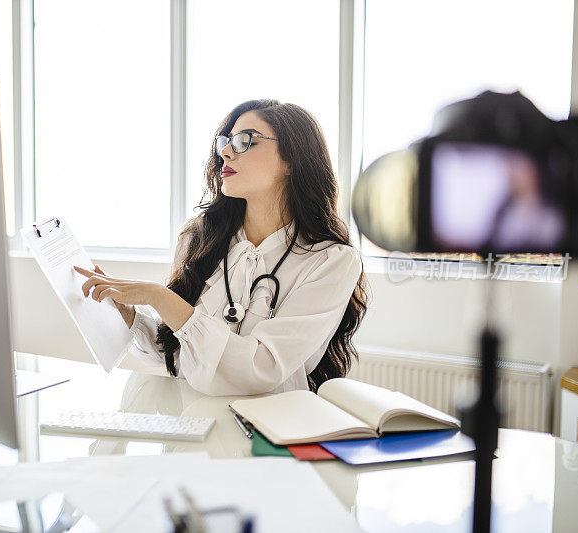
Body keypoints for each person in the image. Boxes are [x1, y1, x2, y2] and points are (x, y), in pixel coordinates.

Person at [74, 99, 369, 395]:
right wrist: (132, 316)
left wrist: (159, 297)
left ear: (292, 159)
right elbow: (179, 357)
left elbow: (262, 368)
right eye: (225, 142)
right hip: (191, 424)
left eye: (244, 141)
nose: (226, 152)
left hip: (269, 432)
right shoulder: (199, 237)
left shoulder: (332, 261)